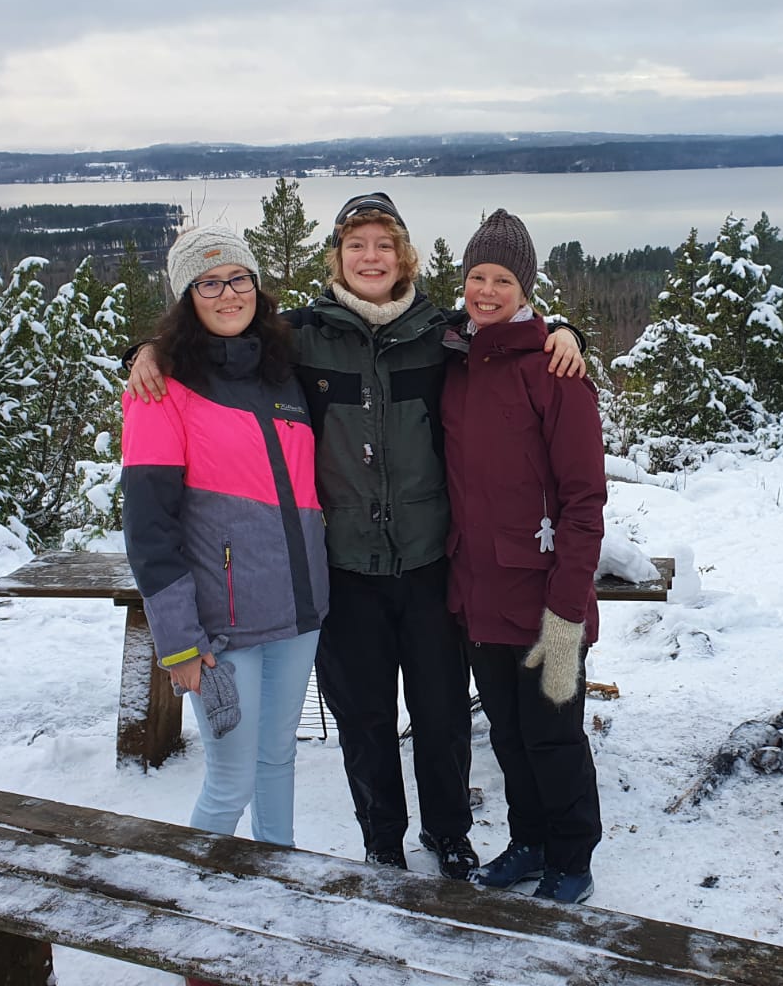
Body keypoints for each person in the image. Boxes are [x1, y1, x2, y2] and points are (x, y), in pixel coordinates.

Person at [127, 193, 584, 879]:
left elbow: (508, 324)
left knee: (441, 716)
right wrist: (150, 349)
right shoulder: (303, 336)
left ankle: (449, 834)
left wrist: (566, 329)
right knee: (364, 721)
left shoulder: (443, 334)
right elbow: (222, 336)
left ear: (403, 254)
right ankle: (381, 842)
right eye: (355, 244)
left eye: (383, 243)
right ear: (336, 255)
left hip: (431, 562)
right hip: (342, 569)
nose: (371, 256)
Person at [121, 225, 328, 853]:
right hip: (220, 628)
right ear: (188, 297)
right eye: (208, 283)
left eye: (239, 278)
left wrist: (565, 333)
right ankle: (188, 902)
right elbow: (148, 527)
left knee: (277, 762)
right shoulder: (163, 390)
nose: (227, 293)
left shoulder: (283, 370)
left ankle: (280, 881)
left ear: (258, 288)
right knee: (231, 779)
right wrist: (178, 641)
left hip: (298, 612)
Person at [442, 209, 607, 905]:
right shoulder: (455, 360)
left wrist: (568, 608)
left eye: (501, 279)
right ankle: (530, 841)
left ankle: (572, 857)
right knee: (508, 736)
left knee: (553, 738)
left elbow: (584, 499)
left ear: (525, 286)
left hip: (548, 602)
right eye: (476, 276)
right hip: (480, 593)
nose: (486, 290)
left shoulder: (556, 369)